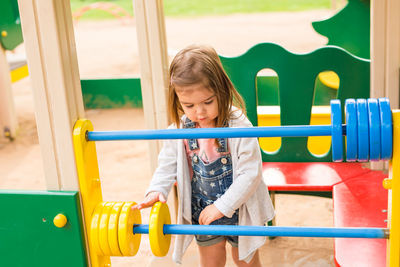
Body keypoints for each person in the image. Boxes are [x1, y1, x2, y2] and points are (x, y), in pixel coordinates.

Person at [133, 44, 275, 267]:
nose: (199, 112)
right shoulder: (181, 129)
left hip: (240, 210)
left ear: (222, 91)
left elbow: (250, 174)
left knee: (246, 260)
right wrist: (157, 189)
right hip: (202, 211)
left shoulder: (238, 126)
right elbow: (167, 164)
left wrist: (221, 207)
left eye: (208, 102)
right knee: (210, 261)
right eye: (189, 105)